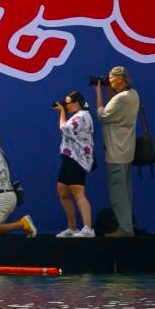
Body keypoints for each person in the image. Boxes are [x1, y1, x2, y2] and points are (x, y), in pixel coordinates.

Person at [96, 65, 140, 237]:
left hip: (115, 152)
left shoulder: (120, 99)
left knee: (117, 194)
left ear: (120, 78)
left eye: (111, 78)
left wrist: (98, 92)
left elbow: (102, 115)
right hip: (127, 151)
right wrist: (110, 92)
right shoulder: (133, 95)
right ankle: (128, 226)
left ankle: (125, 229)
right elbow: (115, 110)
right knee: (126, 192)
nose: (109, 81)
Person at [55, 90, 97, 237]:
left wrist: (61, 112)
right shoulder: (78, 116)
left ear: (76, 103)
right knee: (62, 191)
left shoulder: (82, 116)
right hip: (69, 158)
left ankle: (87, 229)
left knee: (78, 193)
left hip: (77, 159)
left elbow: (64, 128)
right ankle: (72, 228)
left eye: (67, 104)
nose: (66, 107)